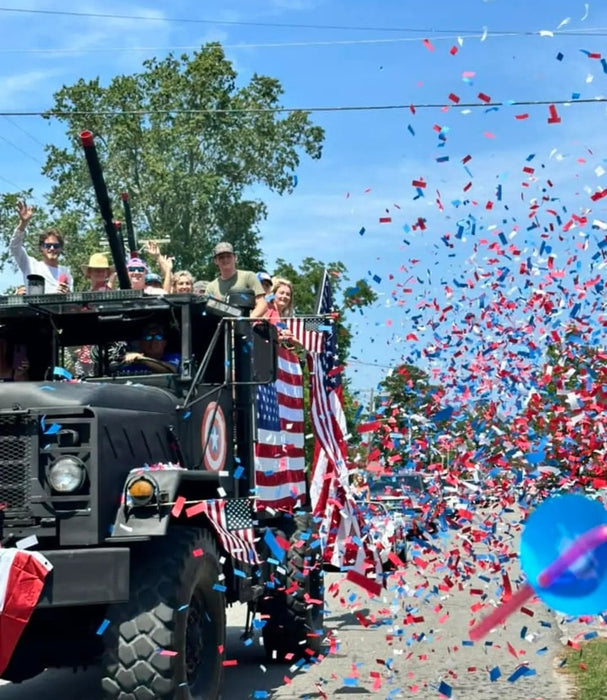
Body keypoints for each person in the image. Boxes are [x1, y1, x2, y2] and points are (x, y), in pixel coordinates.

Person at [10, 200, 73, 294]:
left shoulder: (66, 272)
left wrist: (69, 295)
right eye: (48, 245)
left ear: (61, 248)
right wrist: (23, 224)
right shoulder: (31, 265)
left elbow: (72, 306)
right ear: (41, 248)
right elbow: (14, 247)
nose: (52, 249)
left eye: (56, 246)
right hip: (34, 309)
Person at [206, 242, 267, 318]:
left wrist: (246, 320)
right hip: (221, 327)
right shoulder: (211, 287)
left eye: (228, 256)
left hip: (246, 327)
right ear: (215, 261)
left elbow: (262, 304)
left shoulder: (249, 276)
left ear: (235, 257)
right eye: (221, 257)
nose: (225, 259)